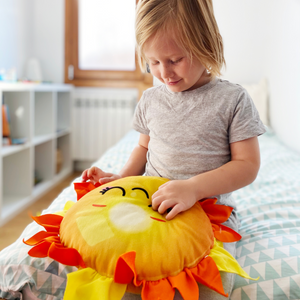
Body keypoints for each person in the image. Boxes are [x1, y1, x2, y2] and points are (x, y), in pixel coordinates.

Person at [81, 0, 266, 298]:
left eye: (175, 59)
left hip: (208, 212)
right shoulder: (151, 99)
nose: (163, 72)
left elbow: (247, 165)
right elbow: (143, 147)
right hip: (152, 203)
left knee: (209, 285)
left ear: (205, 44)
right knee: (122, 273)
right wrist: (122, 179)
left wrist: (192, 188)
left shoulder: (233, 100)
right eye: (153, 62)